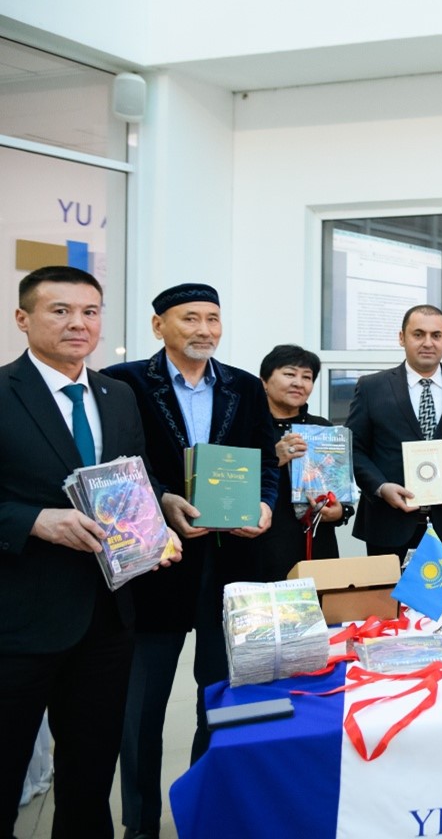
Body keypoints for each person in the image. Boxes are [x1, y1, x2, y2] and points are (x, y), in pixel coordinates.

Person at [0, 266, 177, 839]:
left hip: (107, 619)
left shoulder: (117, 395)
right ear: (23, 318)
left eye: (90, 312)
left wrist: (158, 520)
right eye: (60, 311)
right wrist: (33, 521)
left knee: (90, 777)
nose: (78, 323)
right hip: (18, 622)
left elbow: (133, 478)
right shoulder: (2, 393)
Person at [102, 283, 278, 839]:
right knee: (142, 708)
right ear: (159, 326)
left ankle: (208, 807)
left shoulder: (244, 386)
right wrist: (162, 500)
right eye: (190, 318)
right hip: (154, 567)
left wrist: (265, 504)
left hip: (231, 565)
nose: (204, 330)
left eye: (213, 319)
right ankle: (141, 823)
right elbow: (117, 465)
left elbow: (264, 462)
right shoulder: (123, 383)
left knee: (222, 697)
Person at [347, 305, 442, 555]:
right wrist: (381, 487)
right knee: (387, 584)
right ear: (402, 338)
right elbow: (353, 449)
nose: (428, 343)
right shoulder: (371, 387)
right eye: (418, 334)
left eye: (436, 335)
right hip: (387, 523)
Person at [257, 344, 353, 581]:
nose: (299, 383)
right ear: (264, 381)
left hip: (317, 548)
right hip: (262, 548)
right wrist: (272, 458)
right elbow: (232, 486)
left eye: (307, 377)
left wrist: (339, 511)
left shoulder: (324, 429)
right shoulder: (248, 427)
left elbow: (342, 493)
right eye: (289, 374)